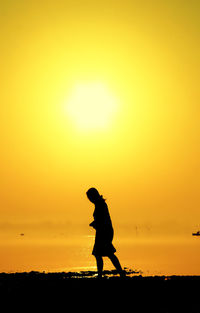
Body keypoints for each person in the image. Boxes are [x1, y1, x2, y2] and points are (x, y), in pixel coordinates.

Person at [86, 187, 125, 278]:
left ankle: (118, 273)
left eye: (90, 198)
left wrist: (95, 223)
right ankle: (118, 273)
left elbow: (103, 219)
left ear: (93, 196)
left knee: (106, 253)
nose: (90, 200)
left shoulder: (101, 204)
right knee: (100, 254)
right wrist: (95, 223)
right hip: (102, 231)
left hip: (104, 231)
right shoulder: (99, 204)